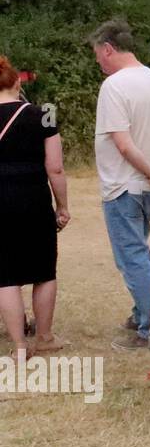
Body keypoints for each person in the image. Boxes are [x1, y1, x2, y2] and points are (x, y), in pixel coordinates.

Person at [89, 20, 150, 350]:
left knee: (132, 257)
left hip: (124, 186)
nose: (98, 63)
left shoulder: (115, 86)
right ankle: (141, 312)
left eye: (98, 56)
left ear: (108, 48)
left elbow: (122, 143)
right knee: (139, 251)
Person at [0, 56, 70, 359]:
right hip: (33, 198)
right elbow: (54, 168)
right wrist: (62, 206)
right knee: (43, 270)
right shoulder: (44, 115)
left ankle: (18, 346)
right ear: (18, 82)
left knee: (5, 276)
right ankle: (44, 337)